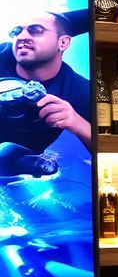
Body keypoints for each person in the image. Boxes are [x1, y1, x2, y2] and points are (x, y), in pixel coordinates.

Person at [0, 12, 91, 174]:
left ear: (63, 42)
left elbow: (113, 151)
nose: (21, 36)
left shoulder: (77, 89)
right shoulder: (3, 54)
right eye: (17, 31)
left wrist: (78, 124)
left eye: (36, 30)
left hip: (21, 171)